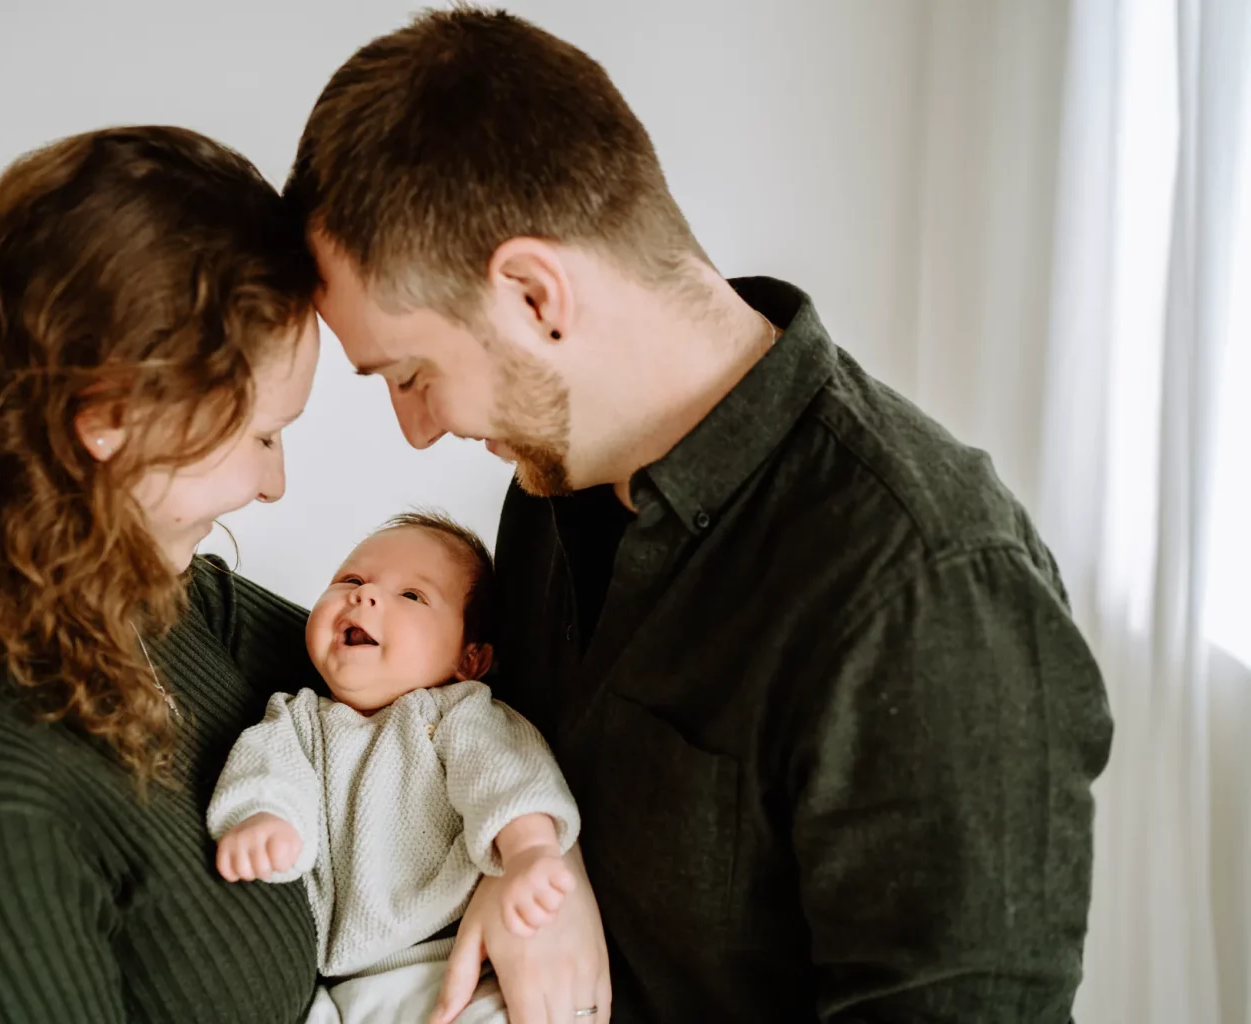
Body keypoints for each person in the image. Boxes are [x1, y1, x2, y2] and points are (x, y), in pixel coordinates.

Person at [291, 9, 1116, 1023]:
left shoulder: (928, 592)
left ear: (536, 296)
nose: (415, 431)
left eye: (412, 373)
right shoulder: (547, 503)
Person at [0, 126, 329, 1023]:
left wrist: (529, 867)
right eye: (261, 435)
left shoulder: (158, 603)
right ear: (110, 417)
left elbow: (430, 712)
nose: (274, 482)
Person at [209, 511, 580, 1024]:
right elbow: (267, 774)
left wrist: (529, 851)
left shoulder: (459, 713)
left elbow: (505, 777)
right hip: (346, 985)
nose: (364, 596)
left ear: (470, 659)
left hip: (457, 961)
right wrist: (264, 821)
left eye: (412, 596)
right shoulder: (296, 717)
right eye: (351, 580)